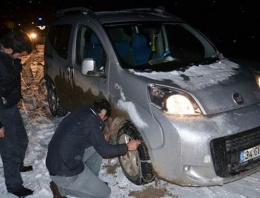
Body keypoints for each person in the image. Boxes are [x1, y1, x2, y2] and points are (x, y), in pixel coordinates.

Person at [46, 99, 141, 198]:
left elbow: (86, 135)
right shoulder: (91, 123)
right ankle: (60, 189)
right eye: (104, 119)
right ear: (102, 115)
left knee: (95, 149)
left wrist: (99, 138)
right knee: (105, 193)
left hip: (59, 159)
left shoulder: (85, 112)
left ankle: (90, 183)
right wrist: (128, 146)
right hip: (64, 171)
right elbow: (105, 150)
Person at [0, 30, 34, 197]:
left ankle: (18, 164)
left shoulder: (10, 58)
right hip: (1, 111)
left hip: (10, 105)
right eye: (20, 54)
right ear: (8, 50)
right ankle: (14, 186)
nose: (22, 57)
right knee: (9, 149)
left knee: (22, 139)